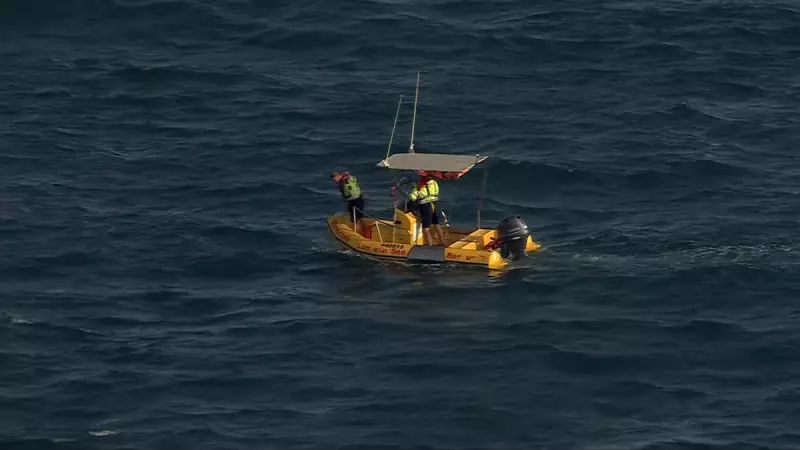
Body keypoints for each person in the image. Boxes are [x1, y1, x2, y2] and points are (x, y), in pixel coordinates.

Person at [407, 171, 446, 246]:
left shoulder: (420, 185)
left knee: (425, 228)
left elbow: (413, 197)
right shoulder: (434, 182)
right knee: (436, 223)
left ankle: (429, 245)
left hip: (426, 206)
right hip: (435, 203)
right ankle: (442, 242)